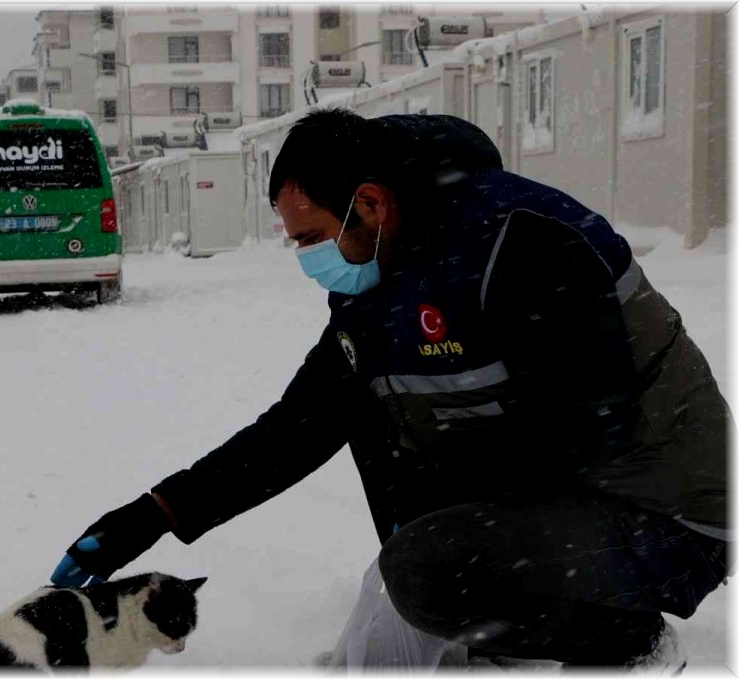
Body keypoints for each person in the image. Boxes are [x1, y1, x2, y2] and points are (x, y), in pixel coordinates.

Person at [50, 109, 730, 670]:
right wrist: (150, 515)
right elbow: (299, 425)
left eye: (313, 236)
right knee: (371, 415)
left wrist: (439, 532)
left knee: (425, 570)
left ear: (371, 204)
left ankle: (629, 640)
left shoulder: (519, 241)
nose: (308, 259)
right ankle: (485, 605)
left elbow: (588, 424)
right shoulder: (381, 287)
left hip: (666, 513)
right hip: (564, 502)